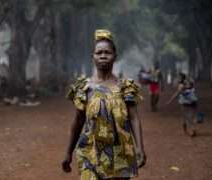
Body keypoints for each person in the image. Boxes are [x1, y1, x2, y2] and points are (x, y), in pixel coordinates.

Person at [62, 29, 146, 180]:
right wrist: (68, 152)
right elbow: (78, 120)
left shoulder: (125, 86)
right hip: (90, 151)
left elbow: (133, 118)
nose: (103, 56)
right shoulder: (84, 87)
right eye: (99, 53)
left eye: (107, 52)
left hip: (120, 152)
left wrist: (140, 147)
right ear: (93, 57)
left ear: (115, 56)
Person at [166, 73, 198, 137]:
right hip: (193, 100)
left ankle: (190, 130)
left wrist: (170, 100)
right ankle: (191, 129)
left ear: (181, 78)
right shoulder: (188, 83)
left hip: (186, 102)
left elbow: (177, 94)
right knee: (190, 117)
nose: (177, 79)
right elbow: (191, 87)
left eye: (178, 77)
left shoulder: (181, 85)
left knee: (185, 117)